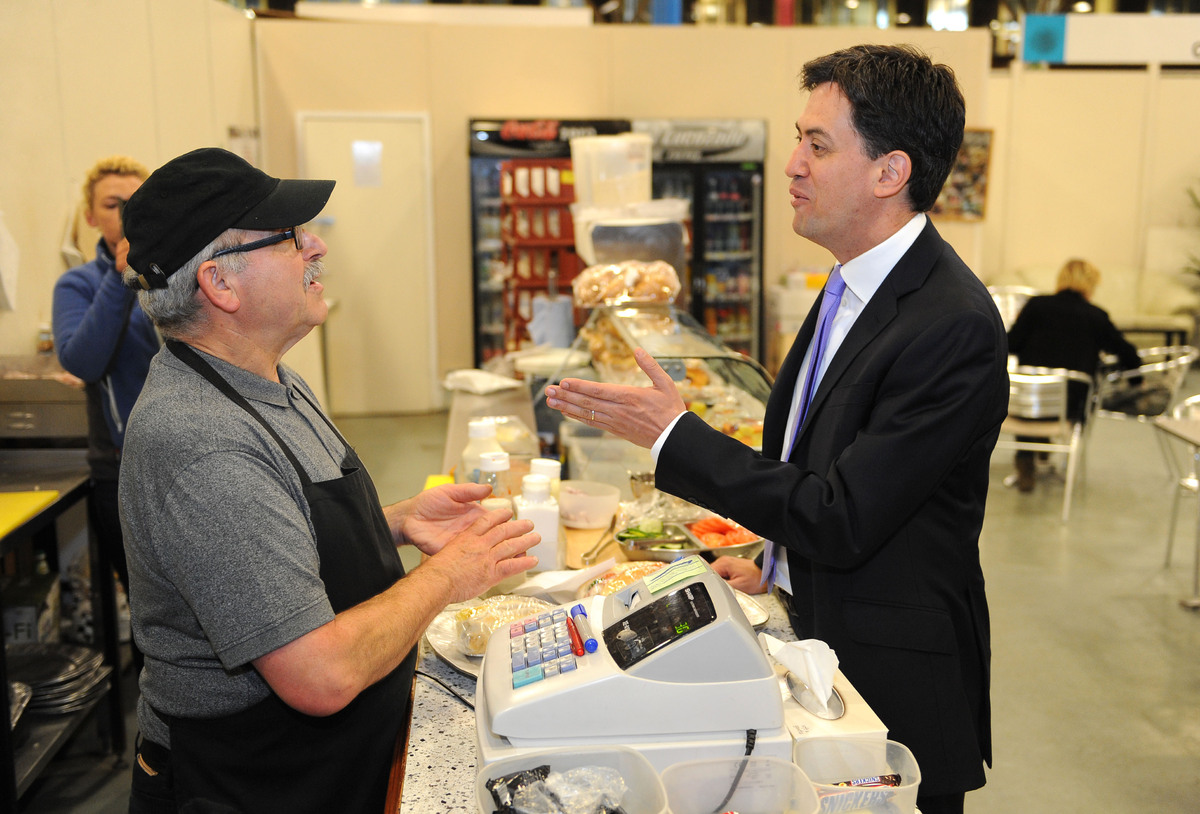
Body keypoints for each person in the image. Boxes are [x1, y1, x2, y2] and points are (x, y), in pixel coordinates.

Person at [546, 44, 1006, 814]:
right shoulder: (849, 281)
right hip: (822, 640)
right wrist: (775, 566)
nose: (792, 164)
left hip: (891, 691)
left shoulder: (950, 324)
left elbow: (845, 514)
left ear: (890, 172)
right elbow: (825, 460)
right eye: (799, 138)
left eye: (817, 145)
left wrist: (674, 436)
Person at [117, 147, 539, 814]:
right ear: (220, 284)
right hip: (253, 782)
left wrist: (398, 521)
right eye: (288, 238)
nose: (315, 245)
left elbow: (276, 532)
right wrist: (448, 577)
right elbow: (320, 674)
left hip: (332, 759)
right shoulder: (200, 440)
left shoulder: (272, 382)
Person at [52, 155, 158, 671]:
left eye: (137, 203)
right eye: (113, 205)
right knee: (151, 609)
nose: (126, 214)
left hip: (186, 458)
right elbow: (83, 361)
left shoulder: (171, 277)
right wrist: (120, 281)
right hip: (119, 469)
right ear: (92, 217)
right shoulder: (77, 286)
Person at [1006, 258, 1142, 491]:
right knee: (1070, 391)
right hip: (1068, 406)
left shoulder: (1036, 306)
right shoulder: (1096, 316)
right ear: (1090, 286)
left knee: (1035, 391)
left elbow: (1009, 343)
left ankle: (1027, 458)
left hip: (1024, 403)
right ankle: (1043, 453)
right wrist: (1137, 381)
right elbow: (1127, 353)